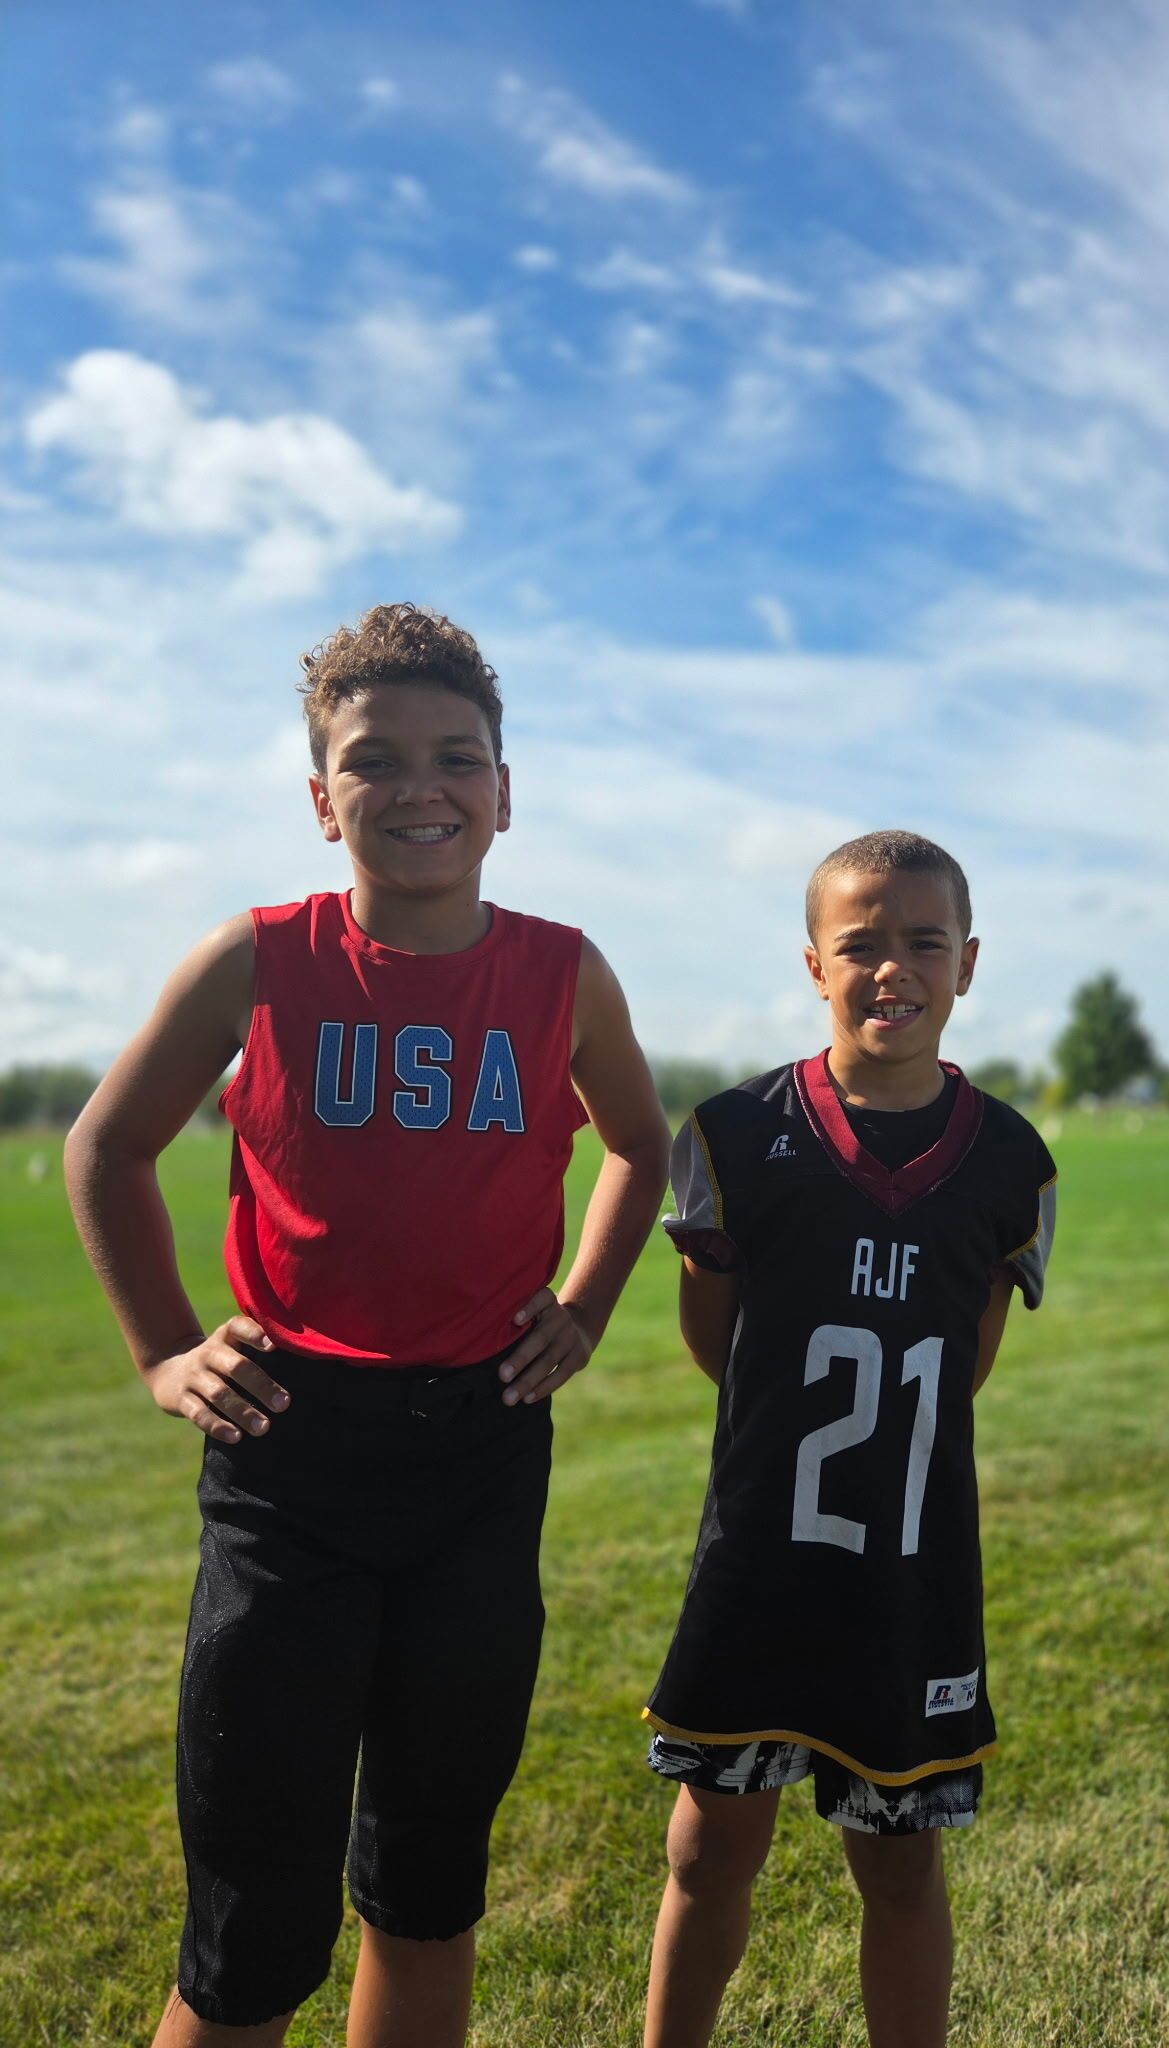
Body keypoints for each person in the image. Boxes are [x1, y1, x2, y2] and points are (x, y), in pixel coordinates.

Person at [64, 604, 670, 2047]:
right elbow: (106, 1145)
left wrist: (584, 1306)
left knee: (429, 1880)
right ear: (320, 796)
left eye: (456, 757)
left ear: (505, 792)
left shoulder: (563, 972)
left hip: (480, 1454)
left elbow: (642, 1145)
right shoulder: (259, 957)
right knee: (255, 1906)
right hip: (293, 1458)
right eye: (373, 759)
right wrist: (161, 1349)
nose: (419, 787)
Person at [641, 830, 1058, 2048]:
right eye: (861, 943)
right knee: (709, 1846)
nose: (893, 968)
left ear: (966, 962)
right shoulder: (735, 1132)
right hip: (761, 1558)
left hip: (910, 1572)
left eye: (924, 941)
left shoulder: (1011, 1161)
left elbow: (968, 1361)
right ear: (813, 961)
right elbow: (720, 1345)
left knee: (902, 1863)